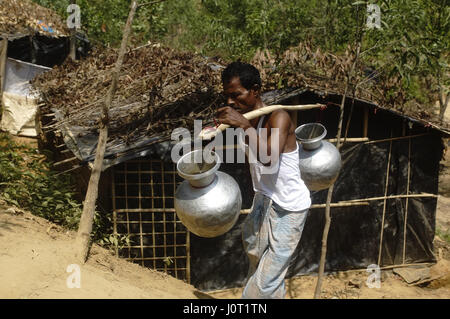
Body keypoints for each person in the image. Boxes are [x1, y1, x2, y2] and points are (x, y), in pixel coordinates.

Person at [216, 61, 311, 299]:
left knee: (266, 280)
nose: (230, 102)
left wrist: (244, 125)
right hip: (264, 199)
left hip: (289, 208)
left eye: (236, 95)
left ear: (255, 90)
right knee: (257, 261)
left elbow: (268, 159)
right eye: (227, 96)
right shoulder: (248, 120)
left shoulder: (278, 118)